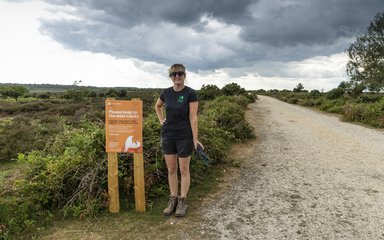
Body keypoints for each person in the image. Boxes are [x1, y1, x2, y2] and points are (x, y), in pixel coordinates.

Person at [155, 63, 203, 217]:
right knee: (171, 169)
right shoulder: (166, 93)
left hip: (184, 136)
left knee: (183, 169)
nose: (177, 77)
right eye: (174, 74)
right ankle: (173, 199)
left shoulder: (191, 93)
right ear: (170, 77)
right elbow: (158, 106)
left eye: (180, 74)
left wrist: (195, 139)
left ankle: (182, 201)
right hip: (168, 135)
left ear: (184, 75)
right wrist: (161, 120)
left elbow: (193, 117)